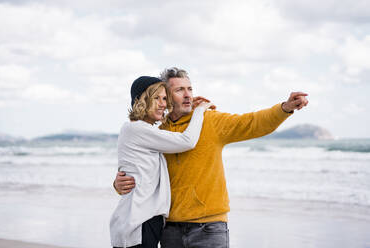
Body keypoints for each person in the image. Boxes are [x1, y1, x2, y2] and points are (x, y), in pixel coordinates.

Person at [114, 68, 309, 248]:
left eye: (190, 88)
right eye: (179, 90)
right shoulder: (158, 131)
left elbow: (252, 123)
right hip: (169, 230)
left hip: (209, 228)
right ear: (165, 97)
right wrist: (119, 182)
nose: (188, 94)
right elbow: (141, 166)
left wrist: (284, 108)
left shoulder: (211, 120)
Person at [110, 76, 214, 248]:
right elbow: (186, 141)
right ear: (141, 100)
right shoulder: (135, 129)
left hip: (144, 221)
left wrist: (116, 183)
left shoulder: (146, 132)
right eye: (156, 98)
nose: (162, 104)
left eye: (165, 98)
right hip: (138, 223)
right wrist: (200, 111)